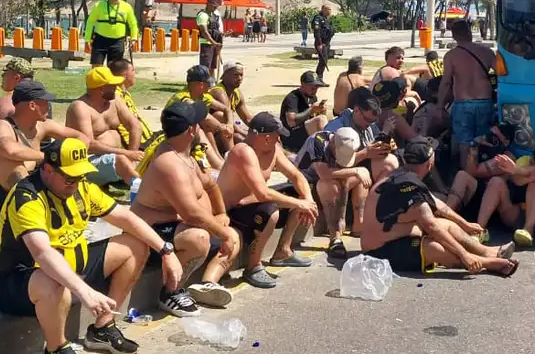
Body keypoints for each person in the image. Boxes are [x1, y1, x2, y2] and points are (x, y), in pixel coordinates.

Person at [0, 137, 181, 354]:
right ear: (48, 170)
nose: (76, 183)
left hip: (68, 266)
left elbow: (125, 218)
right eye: (70, 177)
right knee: (54, 281)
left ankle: (102, 328)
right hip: (20, 282)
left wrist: (166, 251)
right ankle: (55, 351)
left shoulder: (80, 187)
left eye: (80, 176)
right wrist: (84, 291)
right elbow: (42, 253)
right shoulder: (27, 197)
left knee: (135, 245)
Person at [129, 102, 234, 316]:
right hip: (149, 232)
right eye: (199, 124)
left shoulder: (185, 156)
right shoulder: (168, 163)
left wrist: (222, 214)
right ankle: (170, 293)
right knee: (199, 239)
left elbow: (211, 185)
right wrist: (222, 234)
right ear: (191, 130)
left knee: (231, 234)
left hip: (173, 225)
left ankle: (208, 283)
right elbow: (191, 213)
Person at [362, 139, 519, 277]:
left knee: (449, 225)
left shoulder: (402, 175)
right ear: (430, 164)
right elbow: (431, 227)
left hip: (394, 235)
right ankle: (485, 262)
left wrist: (465, 224)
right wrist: (464, 255)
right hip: (378, 252)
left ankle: (486, 251)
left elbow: (438, 205)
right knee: (436, 247)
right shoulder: (409, 188)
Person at [209, 112, 320, 290]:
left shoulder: (273, 149)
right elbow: (262, 194)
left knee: (296, 193)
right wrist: (300, 204)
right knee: (272, 211)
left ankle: (283, 251)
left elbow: (296, 176)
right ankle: (253, 267)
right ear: (267, 138)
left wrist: (308, 201)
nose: (279, 141)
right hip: (233, 210)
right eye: (277, 137)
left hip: (254, 203)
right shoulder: (243, 152)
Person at [0, 80, 85, 212]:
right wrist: (50, 157)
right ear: (32, 105)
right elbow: (9, 150)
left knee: (69, 164)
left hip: (31, 183)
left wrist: (70, 153)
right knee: (11, 165)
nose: (49, 106)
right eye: (45, 102)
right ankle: (35, 210)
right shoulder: (1, 126)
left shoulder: (43, 125)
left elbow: (80, 138)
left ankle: (73, 204)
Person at [474, 143, 535, 246]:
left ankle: (528, 230)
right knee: (496, 181)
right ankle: (478, 230)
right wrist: (527, 175)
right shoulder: (525, 159)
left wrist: (518, 171)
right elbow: (516, 180)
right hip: (516, 213)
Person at [293, 127, 365, 259]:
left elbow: (343, 179)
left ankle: (359, 225)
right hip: (307, 182)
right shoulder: (318, 142)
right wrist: (356, 171)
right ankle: (334, 237)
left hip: (331, 180)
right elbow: (324, 174)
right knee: (331, 185)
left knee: (361, 178)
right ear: (332, 144)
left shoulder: (348, 143)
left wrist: (342, 217)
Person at [65, 67, 142, 186]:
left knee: (156, 154)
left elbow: (135, 125)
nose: (116, 87)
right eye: (112, 85)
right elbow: (89, 144)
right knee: (120, 160)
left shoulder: (115, 100)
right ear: (101, 89)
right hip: (88, 160)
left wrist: (132, 153)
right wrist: (126, 154)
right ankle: (143, 195)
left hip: (118, 157)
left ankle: (131, 173)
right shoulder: (80, 108)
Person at [438, 20, 497, 167]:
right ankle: (482, 175)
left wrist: (440, 105)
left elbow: (446, 82)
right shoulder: (487, 52)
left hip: (463, 104)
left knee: (465, 144)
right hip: (485, 102)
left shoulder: (451, 56)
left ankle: (466, 177)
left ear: (454, 36)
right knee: (484, 141)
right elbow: (502, 75)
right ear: (470, 32)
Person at [166, 65, 230, 168]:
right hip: (174, 135)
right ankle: (219, 165)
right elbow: (204, 115)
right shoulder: (183, 97)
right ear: (200, 85)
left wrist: (229, 125)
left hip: (189, 132)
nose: (210, 86)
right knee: (201, 126)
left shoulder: (202, 96)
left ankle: (223, 157)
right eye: (208, 84)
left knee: (217, 117)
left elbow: (226, 109)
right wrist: (221, 127)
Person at [84, 0, 138, 66]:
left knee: (114, 69)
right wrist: (87, 39)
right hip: (100, 40)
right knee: (96, 67)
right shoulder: (99, 5)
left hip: (118, 41)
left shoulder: (127, 7)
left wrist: (134, 38)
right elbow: (90, 22)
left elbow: (133, 24)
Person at [107, 58, 152, 152]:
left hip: (147, 138)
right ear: (124, 75)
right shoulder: (115, 97)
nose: (135, 74)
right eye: (133, 71)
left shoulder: (125, 93)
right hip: (139, 143)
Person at [209, 61, 255, 151]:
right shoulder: (219, 92)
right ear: (225, 75)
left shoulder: (237, 93)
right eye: (236, 75)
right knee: (239, 137)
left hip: (226, 132)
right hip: (211, 136)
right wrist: (247, 135)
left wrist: (263, 128)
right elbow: (227, 119)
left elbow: (247, 119)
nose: (239, 78)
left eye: (241, 75)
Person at [279, 71, 329, 153]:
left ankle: (322, 148)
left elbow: (312, 118)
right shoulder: (292, 98)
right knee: (320, 120)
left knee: (323, 119)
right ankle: (325, 151)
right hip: (289, 137)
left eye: (317, 87)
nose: (315, 90)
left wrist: (321, 111)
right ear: (303, 85)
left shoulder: (312, 97)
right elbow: (291, 121)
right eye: (312, 87)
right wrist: (311, 110)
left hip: (303, 133)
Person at [196, 0, 224, 78]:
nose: (215, 8)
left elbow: (214, 30)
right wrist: (214, 43)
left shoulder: (212, 15)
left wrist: (220, 37)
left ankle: (212, 85)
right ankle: (204, 84)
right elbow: (204, 32)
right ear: (208, 4)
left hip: (213, 44)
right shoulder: (202, 16)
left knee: (212, 67)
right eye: (214, 6)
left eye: (216, 6)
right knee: (205, 67)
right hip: (207, 44)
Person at [311, 4, 336, 81]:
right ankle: (318, 78)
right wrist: (319, 44)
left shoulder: (326, 19)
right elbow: (317, 32)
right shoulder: (318, 18)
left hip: (327, 43)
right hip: (321, 43)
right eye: (328, 9)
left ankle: (319, 78)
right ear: (323, 10)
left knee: (324, 61)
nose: (329, 11)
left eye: (330, 9)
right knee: (322, 61)